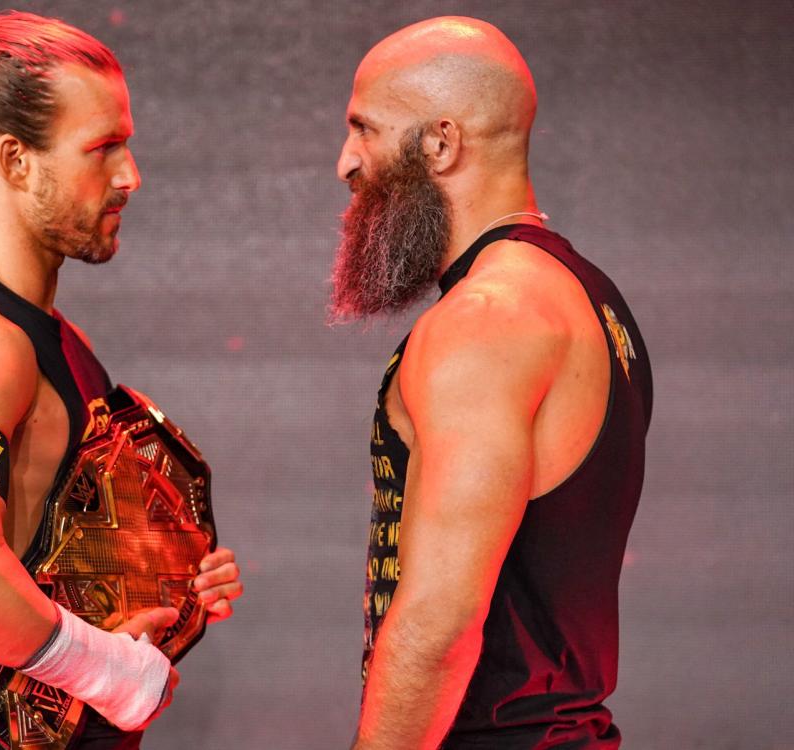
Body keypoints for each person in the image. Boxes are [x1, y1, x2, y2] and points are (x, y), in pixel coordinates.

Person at [0, 12, 242, 748]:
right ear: (14, 161)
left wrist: (167, 577)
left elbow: (42, 565)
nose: (130, 176)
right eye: (102, 148)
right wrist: (111, 671)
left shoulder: (51, 338)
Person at [330, 16, 653, 749]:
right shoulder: (586, 297)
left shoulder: (485, 318)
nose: (346, 163)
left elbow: (438, 624)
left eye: (364, 130)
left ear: (440, 144)